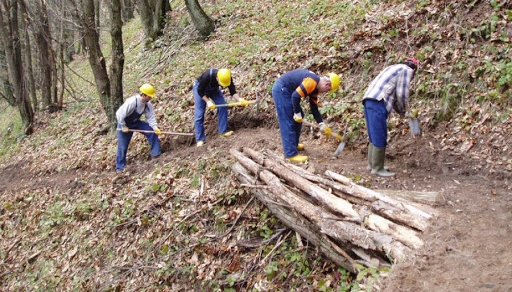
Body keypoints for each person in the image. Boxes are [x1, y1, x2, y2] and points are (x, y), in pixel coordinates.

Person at [362, 58, 419, 177]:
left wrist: (401, 111)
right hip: (378, 101)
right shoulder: (406, 70)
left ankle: (372, 165)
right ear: (414, 69)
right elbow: (402, 94)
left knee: (373, 133)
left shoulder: (392, 68)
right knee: (380, 134)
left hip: (369, 99)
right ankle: (377, 168)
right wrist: (406, 110)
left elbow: (394, 96)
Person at [271, 69, 340, 162]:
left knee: (299, 116)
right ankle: (290, 154)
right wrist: (297, 113)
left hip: (289, 91)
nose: (326, 92)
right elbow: (295, 96)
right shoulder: (312, 81)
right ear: (327, 85)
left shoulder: (315, 89)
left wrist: (321, 124)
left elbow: (314, 108)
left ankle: (294, 144)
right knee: (288, 119)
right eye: (328, 90)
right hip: (282, 89)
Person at [193, 68, 249, 147]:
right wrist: (208, 101)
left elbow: (232, 92)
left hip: (214, 90)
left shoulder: (227, 77)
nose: (223, 86)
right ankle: (200, 139)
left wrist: (240, 99)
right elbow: (200, 91)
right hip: (200, 89)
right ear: (217, 78)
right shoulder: (207, 76)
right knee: (199, 114)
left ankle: (223, 132)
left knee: (223, 106)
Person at [115, 84, 162, 173]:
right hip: (125, 124)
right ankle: (120, 168)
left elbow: (150, 117)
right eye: (149, 96)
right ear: (144, 95)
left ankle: (156, 154)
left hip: (136, 122)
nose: (151, 98)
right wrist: (123, 126)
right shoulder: (132, 102)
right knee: (122, 146)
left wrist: (155, 127)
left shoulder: (147, 104)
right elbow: (119, 114)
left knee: (151, 132)